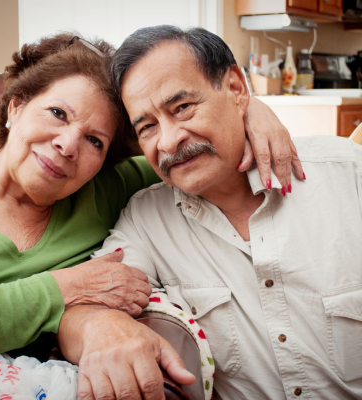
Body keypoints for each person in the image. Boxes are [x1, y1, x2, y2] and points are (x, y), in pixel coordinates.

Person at [0, 32, 303, 399]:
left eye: (95, 140)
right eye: (58, 114)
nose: (68, 145)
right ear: (16, 107)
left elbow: (184, 150)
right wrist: (64, 289)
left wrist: (248, 110)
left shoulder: (105, 188)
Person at [57, 26, 362, 400]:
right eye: (148, 127)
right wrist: (99, 325)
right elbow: (84, 303)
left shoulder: (349, 176)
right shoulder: (147, 219)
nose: (169, 141)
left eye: (182, 107)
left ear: (235, 89)